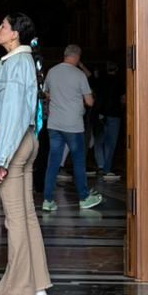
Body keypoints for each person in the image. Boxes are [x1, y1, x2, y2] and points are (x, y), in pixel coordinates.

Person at [0, 14, 51, 295]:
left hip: (13, 143)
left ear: (15, 35)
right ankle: (36, 283)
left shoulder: (15, 63)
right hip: (27, 140)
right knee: (27, 216)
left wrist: (0, 158)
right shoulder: (22, 62)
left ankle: (15, 289)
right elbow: (13, 104)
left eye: (4, 26)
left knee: (15, 219)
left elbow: (11, 115)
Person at [41, 45, 102, 211]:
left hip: (54, 124)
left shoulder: (52, 71)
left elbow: (46, 93)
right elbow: (89, 101)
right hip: (73, 125)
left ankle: (47, 200)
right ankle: (83, 197)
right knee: (78, 161)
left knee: (53, 162)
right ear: (77, 57)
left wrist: (59, 99)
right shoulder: (79, 75)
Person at [93, 60, 124, 181]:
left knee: (99, 141)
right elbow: (123, 99)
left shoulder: (100, 81)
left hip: (101, 114)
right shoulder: (119, 82)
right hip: (115, 114)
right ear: (116, 69)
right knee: (111, 143)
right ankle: (107, 168)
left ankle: (100, 165)